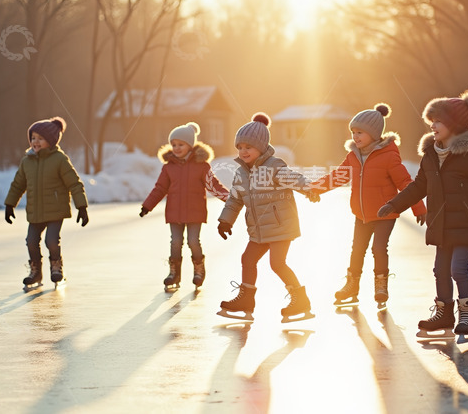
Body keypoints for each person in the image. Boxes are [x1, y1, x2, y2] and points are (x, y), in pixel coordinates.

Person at [377, 89, 468, 339]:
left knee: (458, 268)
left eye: (438, 122)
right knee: (440, 270)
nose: (433, 127)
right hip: (441, 223)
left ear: (455, 124)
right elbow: (419, 186)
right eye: (431, 123)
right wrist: (395, 204)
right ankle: (444, 313)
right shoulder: (430, 155)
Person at [311, 103, 426, 309]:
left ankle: (381, 285)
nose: (355, 137)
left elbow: (406, 184)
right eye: (353, 132)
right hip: (361, 214)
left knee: (379, 248)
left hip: (385, 213)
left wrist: (418, 207)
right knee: (357, 250)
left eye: (360, 132)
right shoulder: (353, 155)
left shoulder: (389, 155)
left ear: (374, 134)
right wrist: (315, 189)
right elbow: (338, 176)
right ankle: (352, 286)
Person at [216, 113, 319, 322]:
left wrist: (308, 189)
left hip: (280, 226)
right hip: (259, 229)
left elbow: (293, 178)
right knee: (248, 259)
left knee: (277, 264)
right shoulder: (241, 174)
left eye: (248, 147)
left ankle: (300, 299)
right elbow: (235, 199)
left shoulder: (273, 165)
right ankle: (246, 300)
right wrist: (225, 220)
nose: (243, 152)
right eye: (240, 147)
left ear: (261, 147)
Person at [140, 122, 229, 290]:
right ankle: (174, 273)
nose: (176, 148)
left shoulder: (202, 166)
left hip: (195, 212)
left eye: (180, 144)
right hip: (174, 212)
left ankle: (198, 269)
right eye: (173, 144)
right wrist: (147, 206)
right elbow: (160, 188)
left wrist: (229, 199)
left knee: (193, 241)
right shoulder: (169, 168)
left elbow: (213, 185)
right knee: (175, 242)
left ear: (190, 145)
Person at [5, 116, 89, 289]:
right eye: (33, 138)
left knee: (51, 240)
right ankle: (36, 272)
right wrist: (10, 204)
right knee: (30, 241)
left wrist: (82, 206)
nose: (35, 142)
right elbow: (18, 185)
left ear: (50, 141)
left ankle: (56, 267)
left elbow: (74, 183)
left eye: (40, 138)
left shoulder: (59, 159)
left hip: (55, 211)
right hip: (35, 212)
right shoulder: (26, 161)